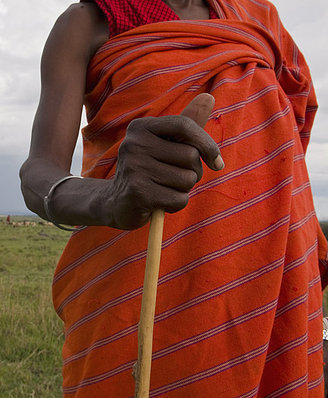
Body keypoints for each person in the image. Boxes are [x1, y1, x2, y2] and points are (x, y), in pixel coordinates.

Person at [19, 0, 327, 396]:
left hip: (271, 285)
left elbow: (284, 156)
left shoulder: (259, 18)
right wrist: (112, 197)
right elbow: (38, 173)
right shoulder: (89, 23)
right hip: (138, 291)